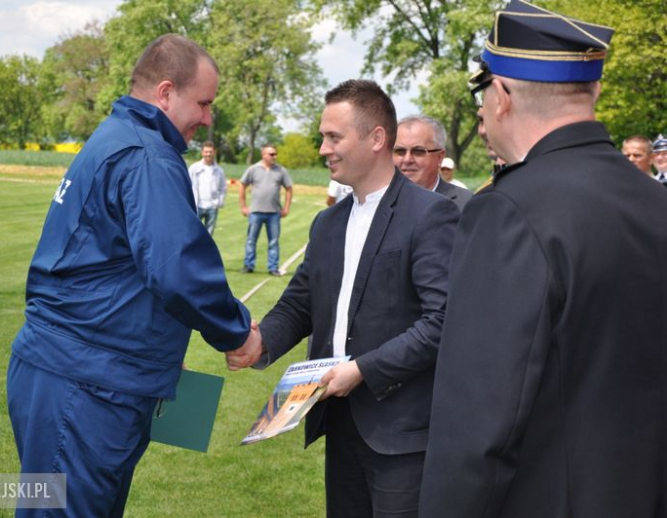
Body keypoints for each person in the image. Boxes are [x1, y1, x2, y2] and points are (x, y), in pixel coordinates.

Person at [420, 2, 667, 517]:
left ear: (502, 94)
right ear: (593, 90)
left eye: (482, 92)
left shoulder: (507, 211)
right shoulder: (654, 200)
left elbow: (478, 425)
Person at [6, 34, 260, 517]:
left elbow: (120, 264)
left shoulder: (114, 136)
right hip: (88, 379)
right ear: (166, 93)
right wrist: (234, 331)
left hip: (77, 368)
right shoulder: (147, 155)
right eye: (203, 103)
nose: (208, 119)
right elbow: (176, 269)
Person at [229, 80, 459, 517]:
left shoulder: (430, 215)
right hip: (339, 421)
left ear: (376, 138)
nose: (322, 148)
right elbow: (300, 304)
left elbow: (442, 320)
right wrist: (261, 344)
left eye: (333, 137)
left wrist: (361, 369)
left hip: (402, 434)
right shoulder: (327, 222)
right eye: (323, 136)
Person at [394, 115, 473, 212]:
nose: (407, 159)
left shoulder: (467, 205)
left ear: (440, 157)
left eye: (418, 151)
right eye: (400, 151)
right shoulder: (376, 201)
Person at [238, 144, 293, 275]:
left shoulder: (281, 170)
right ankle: (248, 265)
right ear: (264, 155)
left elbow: (289, 189)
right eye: (272, 154)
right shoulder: (253, 169)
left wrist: (286, 208)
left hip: (274, 213)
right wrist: (243, 206)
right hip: (255, 211)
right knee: (251, 240)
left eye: (275, 154)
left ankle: (273, 267)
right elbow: (242, 185)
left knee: (273, 241)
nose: (275, 156)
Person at [188, 140, 227, 234]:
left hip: (212, 207)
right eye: (206, 151)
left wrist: (219, 202)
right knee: (193, 233)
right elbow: (187, 185)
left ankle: (205, 249)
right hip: (197, 206)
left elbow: (223, 188)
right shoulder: (194, 168)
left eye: (210, 151)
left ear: (214, 152)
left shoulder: (219, 171)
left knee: (209, 235)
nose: (208, 154)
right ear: (202, 152)